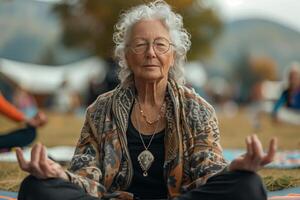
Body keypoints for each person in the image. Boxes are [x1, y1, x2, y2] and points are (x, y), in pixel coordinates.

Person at [16, 1, 277, 200]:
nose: (151, 53)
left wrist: (233, 170)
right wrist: (60, 174)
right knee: (35, 187)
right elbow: (88, 175)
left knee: (249, 185)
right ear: (126, 56)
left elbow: (206, 172)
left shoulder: (197, 109)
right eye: (140, 45)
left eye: (160, 45)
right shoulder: (100, 110)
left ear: (172, 56)